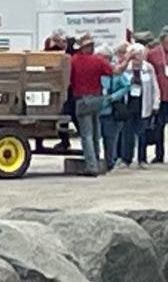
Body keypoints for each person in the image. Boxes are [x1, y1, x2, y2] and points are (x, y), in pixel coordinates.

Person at [68, 32, 114, 176]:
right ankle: (97, 161)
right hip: (97, 98)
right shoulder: (98, 61)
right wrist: (127, 59)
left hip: (82, 99)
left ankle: (91, 166)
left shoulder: (73, 60)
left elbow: (68, 80)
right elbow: (115, 71)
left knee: (86, 134)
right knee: (96, 132)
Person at [145, 25, 168, 164]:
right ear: (163, 39)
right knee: (158, 126)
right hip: (160, 95)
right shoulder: (153, 54)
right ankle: (159, 154)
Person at [120, 44, 161, 168]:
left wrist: (156, 103)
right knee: (127, 133)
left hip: (144, 105)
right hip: (128, 105)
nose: (137, 57)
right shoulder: (125, 68)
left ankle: (142, 159)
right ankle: (126, 159)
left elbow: (154, 86)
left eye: (139, 54)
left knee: (142, 133)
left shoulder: (149, 68)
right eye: (135, 54)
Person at [98, 44, 132, 173]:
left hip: (111, 111)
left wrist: (113, 97)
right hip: (97, 109)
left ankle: (110, 162)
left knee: (110, 138)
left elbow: (127, 85)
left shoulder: (115, 71)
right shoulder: (96, 71)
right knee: (96, 138)